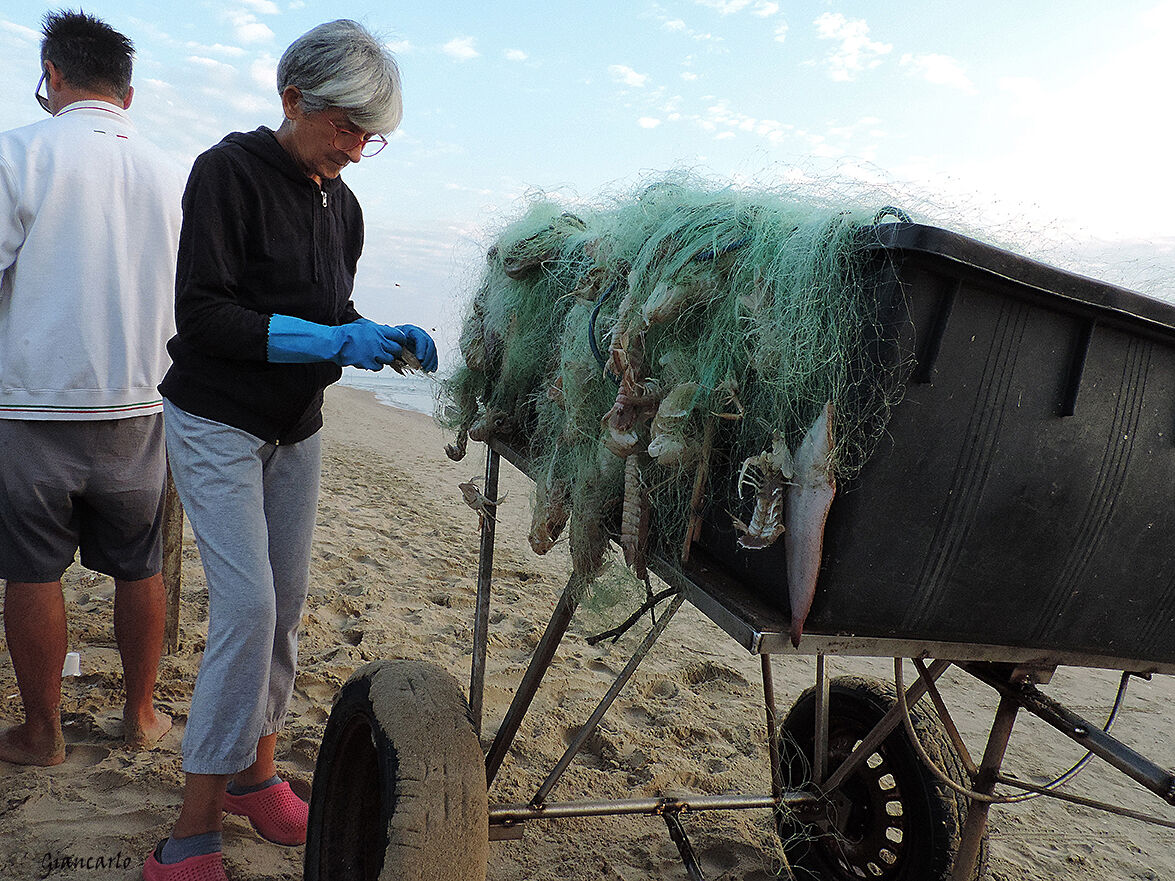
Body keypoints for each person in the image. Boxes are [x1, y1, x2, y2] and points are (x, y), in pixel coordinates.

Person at [143, 20, 437, 880]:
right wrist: (331, 339)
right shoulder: (226, 172)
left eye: (370, 135)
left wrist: (377, 335)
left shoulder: (343, 205)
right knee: (246, 609)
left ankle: (255, 777)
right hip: (216, 419)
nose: (355, 147)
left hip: (294, 427)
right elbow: (204, 315)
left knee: (286, 606)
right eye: (346, 125)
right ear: (293, 98)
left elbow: (330, 314)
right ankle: (190, 832)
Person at [0, 10, 181, 767]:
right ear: (127, 93)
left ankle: (43, 733)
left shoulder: (19, 152)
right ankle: (140, 715)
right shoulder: (171, 171)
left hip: (33, 401)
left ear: (52, 75)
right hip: (141, 402)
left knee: (31, 568)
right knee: (142, 562)